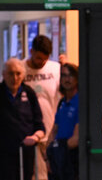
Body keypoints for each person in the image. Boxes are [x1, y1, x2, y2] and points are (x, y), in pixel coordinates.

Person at [23, 35, 61, 180]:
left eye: (45, 58)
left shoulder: (56, 69)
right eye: (38, 58)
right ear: (31, 51)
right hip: (29, 134)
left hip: (52, 132)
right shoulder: (19, 70)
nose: (42, 62)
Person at [0, 58, 45, 180]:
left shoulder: (29, 93)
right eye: (10, 73)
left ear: (23, 75)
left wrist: (35, 137)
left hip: (26, 152)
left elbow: (39, 125)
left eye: (18, 74)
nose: (14, 78)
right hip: (4, 154)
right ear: (3, 74)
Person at [46, 63, 79, 180]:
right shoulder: (62, 102)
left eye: (70, 75)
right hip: (58, 157)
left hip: (71, 158)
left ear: (76, 78)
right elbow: (54, 130)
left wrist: (55, 150)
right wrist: (49, 155)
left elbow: (76, 139)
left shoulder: (80, 101)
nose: (67, 79)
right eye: (64, 75)